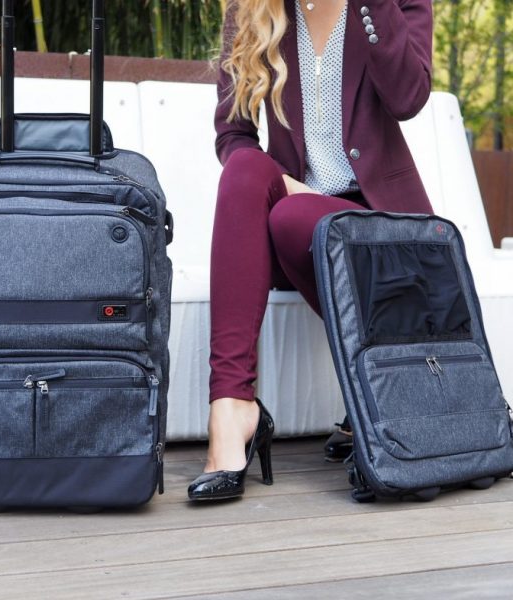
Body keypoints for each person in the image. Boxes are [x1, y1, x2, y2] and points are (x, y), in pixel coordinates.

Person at [187, 0, 434, 501]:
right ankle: (232, 408)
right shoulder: (255, 8)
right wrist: (285, 184)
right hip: (289, 227)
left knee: (294, 215)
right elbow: (233, 133)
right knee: (251, 176)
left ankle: (382, 392)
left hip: (380, 226)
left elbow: (408, 96)